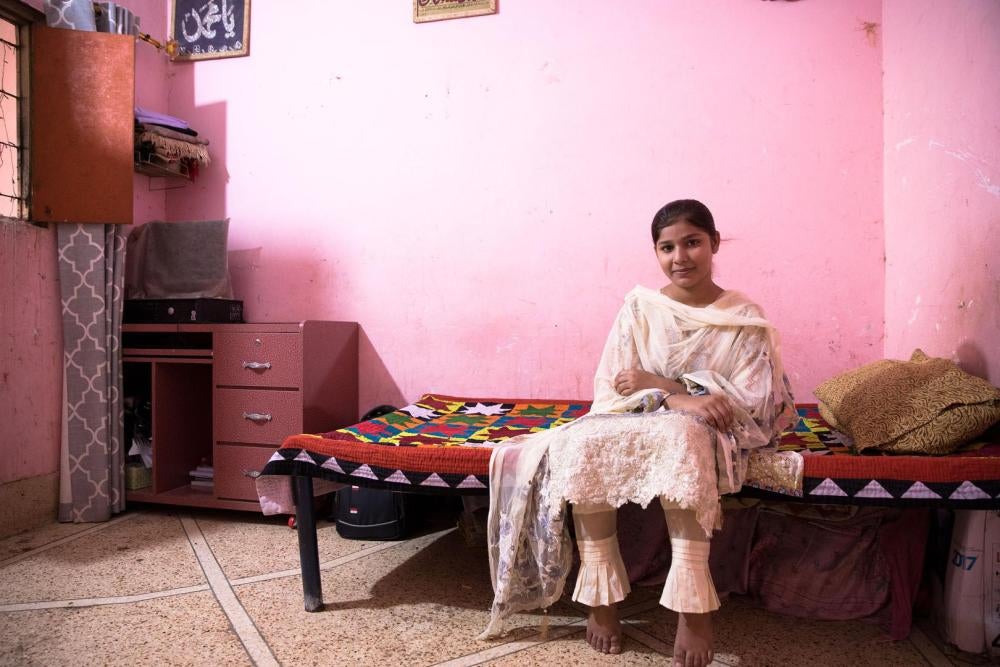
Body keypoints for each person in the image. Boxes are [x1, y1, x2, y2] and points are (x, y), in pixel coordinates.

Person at [479, 199, 797, 667]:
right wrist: (673, 396)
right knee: (583, 442)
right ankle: (601, 597)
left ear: (713, 243)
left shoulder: (741, 316)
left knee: (680, 438)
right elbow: (613, 386)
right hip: (642, 416)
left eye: (692, 242)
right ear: (656, 252)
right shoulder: (640, 308)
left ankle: (693, 608)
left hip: (698, 430)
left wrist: (665, 388)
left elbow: (753, 402)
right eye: (666, 247)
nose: (680, 257)